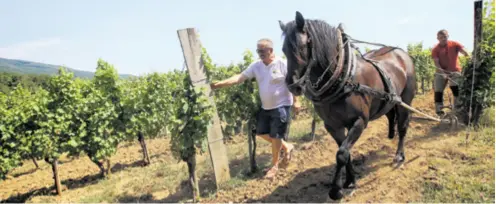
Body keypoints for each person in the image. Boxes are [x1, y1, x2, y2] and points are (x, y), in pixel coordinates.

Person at [210, 38, 301, 179]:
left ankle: (274, 166)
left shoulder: (283, 63)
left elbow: (293, 82)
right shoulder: (256, 66)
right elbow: (239, 77)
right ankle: (286, 146)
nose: (260, 53)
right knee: (261, 132)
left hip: (282, 105)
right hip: (266, 107)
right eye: (258, 50)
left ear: (271, 50)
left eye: (262, 50)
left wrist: (296, 100)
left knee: (276, 135)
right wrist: (220, 84)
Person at [431, 29, 469, 115]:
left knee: (455, 88)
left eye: (445, 37)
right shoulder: (435, 49)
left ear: (448, 36)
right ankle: (439, 110)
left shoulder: (455, 44)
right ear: (437, 38)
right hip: (441, 72)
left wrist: (468, 59)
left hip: (455, 71)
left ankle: (457, 109)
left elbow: (464, 52)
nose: (443, 39)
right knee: (438, 90)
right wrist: (443, 73)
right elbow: (436, 63)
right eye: (441, 37)